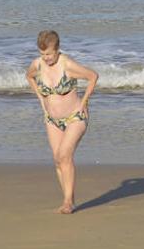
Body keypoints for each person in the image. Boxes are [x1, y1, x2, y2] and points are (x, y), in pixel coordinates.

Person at [26, 29, 99, 214]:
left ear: (57, 49)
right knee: (58, 159)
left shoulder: (67, 64)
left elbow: (93, 76)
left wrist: (84, 102)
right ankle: (69, 197)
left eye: (49, 54)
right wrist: (41, 99)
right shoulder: (38, 64)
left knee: (65, 155)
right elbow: (29, 76)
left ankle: (67, 202)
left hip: (75, 117)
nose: (46, 58)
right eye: (42, 54)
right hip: (52, 119)